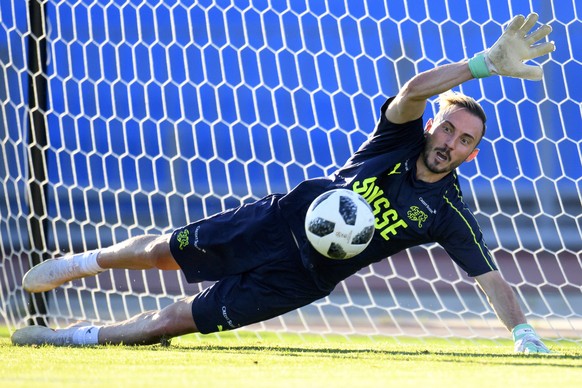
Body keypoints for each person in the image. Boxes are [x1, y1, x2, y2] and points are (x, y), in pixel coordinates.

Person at [12, 13, 555, 353]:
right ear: (433, 126)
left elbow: (492, 280)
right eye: (447, 129)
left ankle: (70, 338)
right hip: (278, 221)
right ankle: (82, 264)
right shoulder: (398, 140)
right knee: (160, 252)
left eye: (464, 141)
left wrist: (524, 335)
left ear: (471, 154)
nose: (450, 143)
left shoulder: (447, 210)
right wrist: (483, 64)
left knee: (173, 322)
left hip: (302, 277)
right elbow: (413, 89)